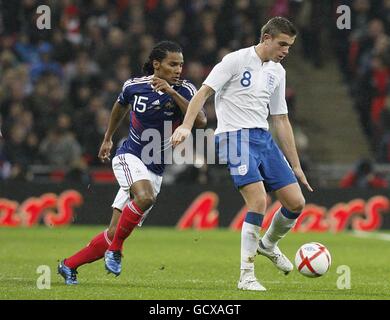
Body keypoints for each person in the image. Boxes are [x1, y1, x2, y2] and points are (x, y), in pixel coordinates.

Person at [171, 17, 313, 291]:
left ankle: (268, 244)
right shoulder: (234, 61)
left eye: (290, 46)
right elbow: (203, 93)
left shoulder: (277, 72)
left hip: (262, 138)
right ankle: (246, 276)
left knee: (296, 203)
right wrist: (187, 127)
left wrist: (295, 165)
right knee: (258, 200)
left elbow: (280, 119)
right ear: (266, 38)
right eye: (282, 44)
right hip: (234, 136)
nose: (286, 51)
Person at [58, 41, 207, 285]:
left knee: (114, 231)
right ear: (157, 64)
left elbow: (199, 121)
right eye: (173, 64)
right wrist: (107, 138)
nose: (179, 69)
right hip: (129, 156)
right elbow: (119, 107)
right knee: (145, 197)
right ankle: (115, 251)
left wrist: (170, 91)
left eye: (180, 64)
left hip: (155, 168)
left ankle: (68, 265)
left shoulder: (187, 89)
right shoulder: (134, 86)